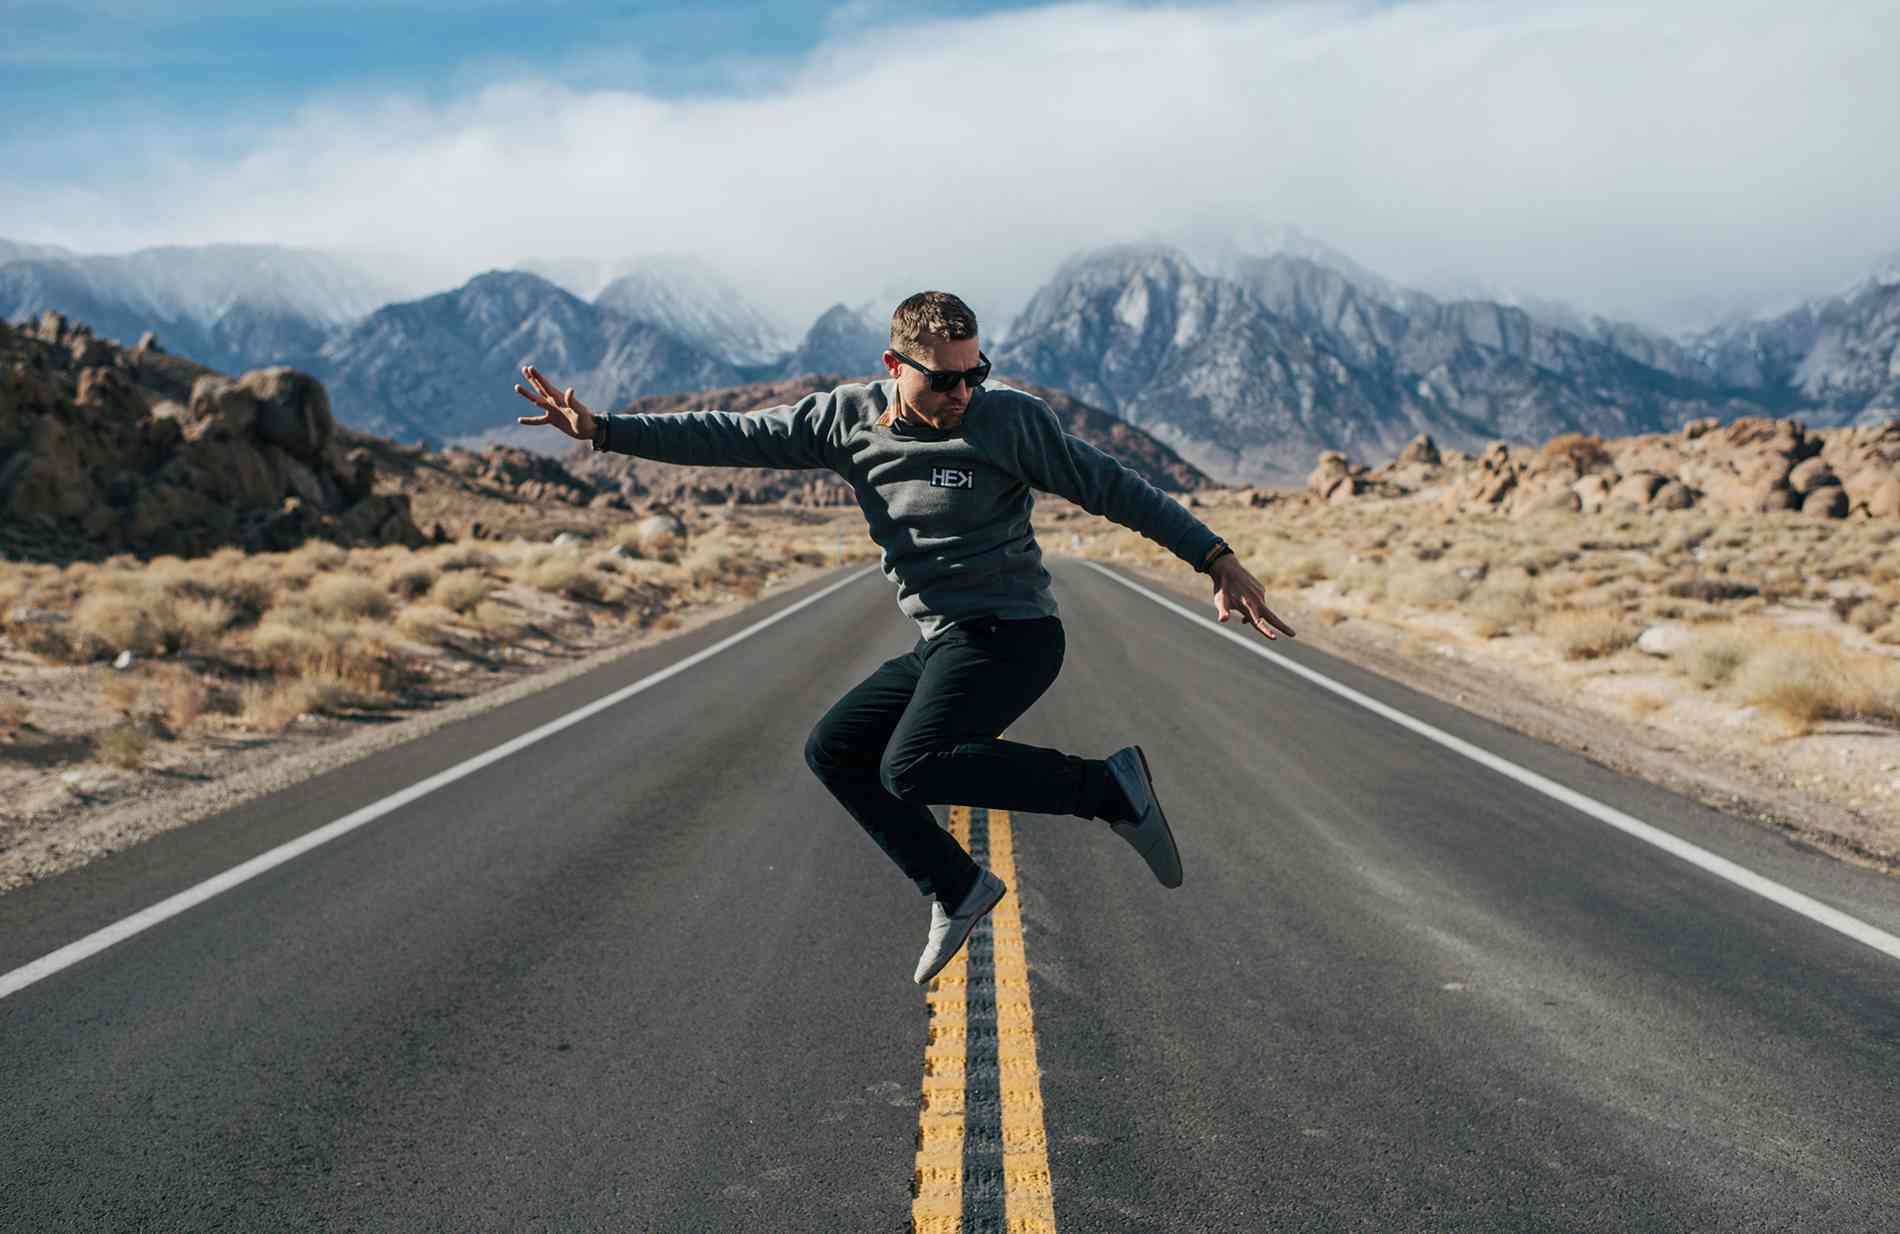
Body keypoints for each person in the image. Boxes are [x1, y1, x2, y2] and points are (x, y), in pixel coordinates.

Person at [512, 291, 1294, 985]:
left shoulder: (1008, 421)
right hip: (947, 637)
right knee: (835, 751)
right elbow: (731, 435)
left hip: (1015, 633)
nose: (961, 393)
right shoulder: (842, 422)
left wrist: (1215, 557)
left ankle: (1108, 789)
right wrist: (605, 431)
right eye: (942, 378)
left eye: (973, 373)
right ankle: (955, 887)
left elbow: (1116, 488)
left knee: (911, 764)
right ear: (894, 364)